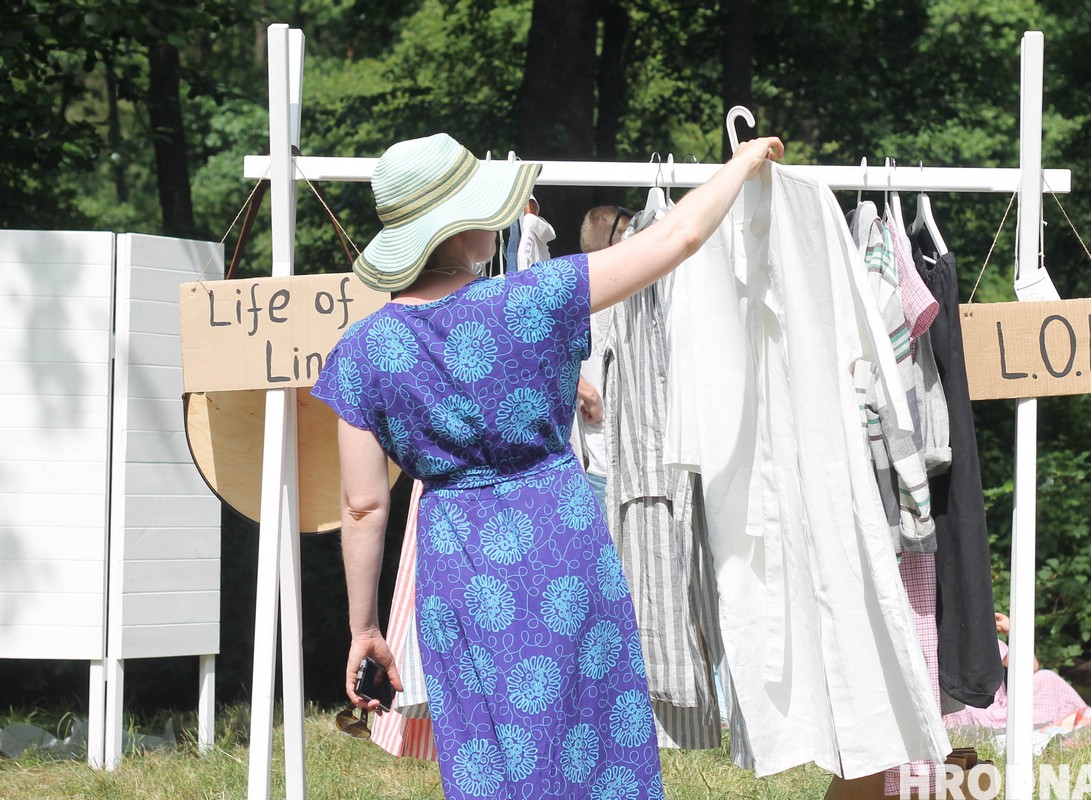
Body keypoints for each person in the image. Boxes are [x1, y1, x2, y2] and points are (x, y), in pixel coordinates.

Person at [311, 131, 783, 798]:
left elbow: (363, 506)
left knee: (488, 750)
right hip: (559, 539)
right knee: (591, 739)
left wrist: (366, 629)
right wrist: (737, 164)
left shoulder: (361, 353)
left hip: (457, 561)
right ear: (462, 226)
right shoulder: (536, 296)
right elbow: (675, 239)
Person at [942, 613, 1091, 730]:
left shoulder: (991, 644)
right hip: (972, 709)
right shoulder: (944, 642)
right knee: (967, 707)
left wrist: (1012, 631)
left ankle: (1079, 718)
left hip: (1001, 709)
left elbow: (1031, 667)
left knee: (1046, 677)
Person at [574, 205, 633, 509]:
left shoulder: (578, 288)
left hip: (610, 463)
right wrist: (584, 390)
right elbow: (532, 357)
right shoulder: (582, 292)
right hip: (601, 465)